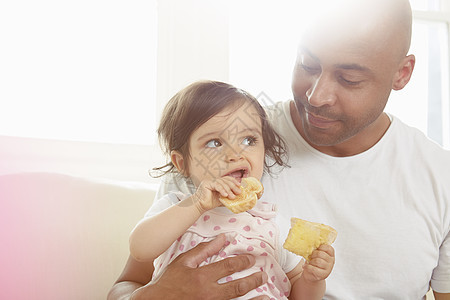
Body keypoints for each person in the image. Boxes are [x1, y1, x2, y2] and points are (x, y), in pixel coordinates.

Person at [108, 0, 450, 299]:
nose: (316, 96)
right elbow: (127, 284)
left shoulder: (439, 176)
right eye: (308, 65)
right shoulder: (217, 144)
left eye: (349, 79)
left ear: (402, 73)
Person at [127, 80, 335, 299]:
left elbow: (299, 295)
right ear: (182, 163)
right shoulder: (176, 207)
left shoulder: (272, 224)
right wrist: (197, 204)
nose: (235, 154)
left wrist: (312, 279)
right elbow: (140, 249)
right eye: (214, 143)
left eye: (249, 139)